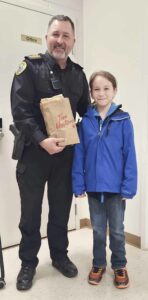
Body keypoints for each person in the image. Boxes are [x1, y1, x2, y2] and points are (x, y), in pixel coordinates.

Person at [10, 15, 90, 291]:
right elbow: (20, 113)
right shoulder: (30, 68)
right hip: (34, 154)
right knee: (30, 213)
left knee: (60, 211)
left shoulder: (79, 75)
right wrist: (43, 140)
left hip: (65, 156)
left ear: (73, 41)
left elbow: (86, 114)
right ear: (47, 37)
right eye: (56, 34)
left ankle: (59, 256)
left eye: (66, 36)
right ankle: (28, 263)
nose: (60, 40)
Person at [72, 70, 137, 289]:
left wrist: (129, 187)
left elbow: (130, 155)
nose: (101, 93)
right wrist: (78, 183)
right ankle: (98, 263)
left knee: (117, 231)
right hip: (93, 188)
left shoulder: (124, 120)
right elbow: (79, 154)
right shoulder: (85, 122)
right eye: (96, 89)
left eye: (106, 88)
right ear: (91, 92)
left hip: (116, 189)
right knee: (98, 231)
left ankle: (119, 264)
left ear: (114, 90)